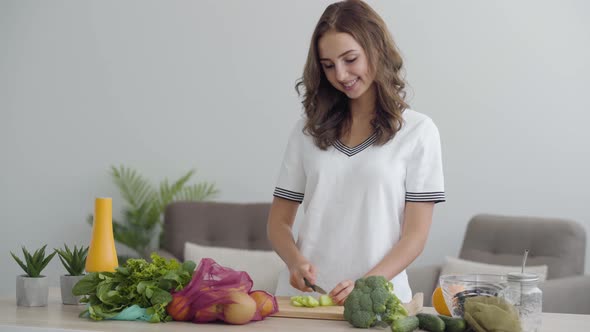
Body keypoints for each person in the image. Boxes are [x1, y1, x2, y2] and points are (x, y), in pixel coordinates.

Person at [267, 0, 445, 305]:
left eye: (350, 59)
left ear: (375, 48)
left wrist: (365, 285)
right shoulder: (306, 131)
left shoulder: (418, 131)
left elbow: (414, 237)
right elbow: (278, 223)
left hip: (379, 300)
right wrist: (295, 262)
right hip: (305, 300)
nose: (341, 74)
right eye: (328, 65)